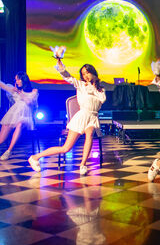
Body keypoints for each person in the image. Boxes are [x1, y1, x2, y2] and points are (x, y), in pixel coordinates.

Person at [28, 46, 106, 175]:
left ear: (93, 72)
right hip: (81, 116)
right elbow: (67, 76)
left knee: (90, 134)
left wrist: (93, 87)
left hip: (93, 116)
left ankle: (83, 164)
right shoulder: (81, 85)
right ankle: (35, 157)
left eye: (87, 72)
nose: (86, 75)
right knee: (66, 148)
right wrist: (59, 60)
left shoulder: (100, 89)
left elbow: (102, 99)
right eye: (83, 74)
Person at [0, 72, 38, 160]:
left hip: (26, 116)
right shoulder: (13, 89)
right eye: (15, 79)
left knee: (20, 124)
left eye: (18, 79)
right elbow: (2, 85)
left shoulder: (34, 91)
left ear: (23, 79)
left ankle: (9, 151)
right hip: (13, 114)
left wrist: (20, 93)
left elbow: (29, 102)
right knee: (1, 139)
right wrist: (15, 90)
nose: (16, 81)